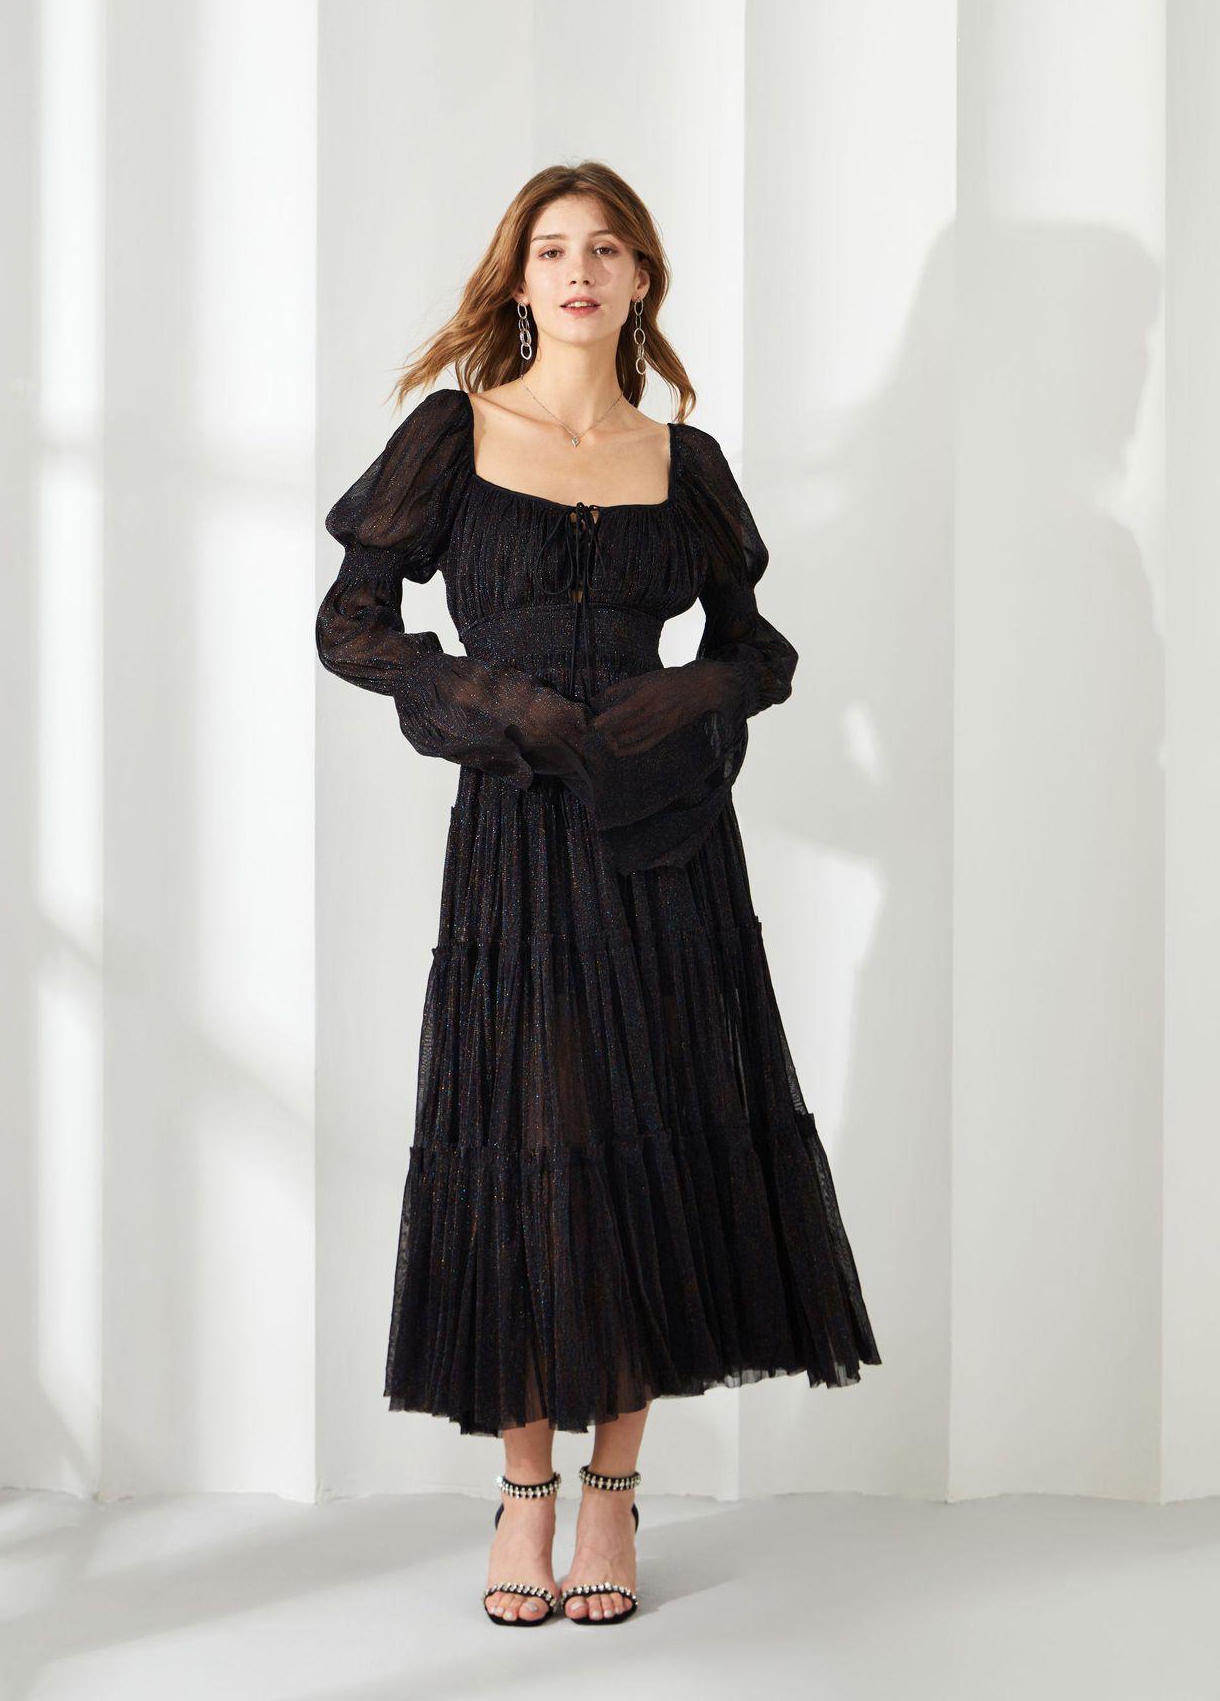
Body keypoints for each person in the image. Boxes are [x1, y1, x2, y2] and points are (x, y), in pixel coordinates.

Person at [315, 161, 881, 1627]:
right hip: (517, 836)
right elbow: (355, 625)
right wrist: (491, 697)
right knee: (529, 1133)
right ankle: (525, 1493)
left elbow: (759, 651)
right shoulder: (453, 435)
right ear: (519, 278)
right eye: (556, 249)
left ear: (642, 281)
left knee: (651, 1129)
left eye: (609, 250)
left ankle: (616, 1491)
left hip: (667, 840)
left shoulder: (683, 463)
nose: (581, 271)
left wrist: (685, 695)